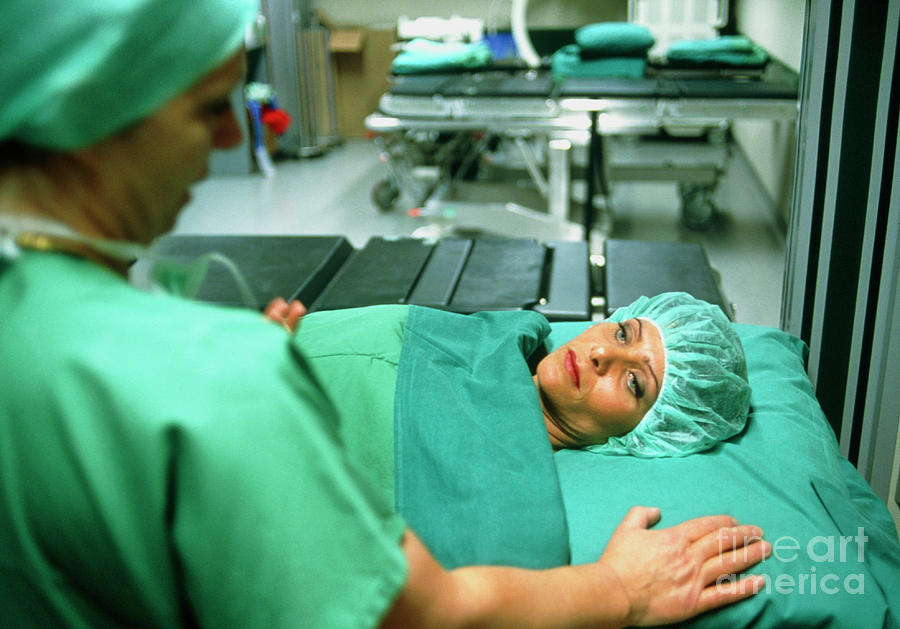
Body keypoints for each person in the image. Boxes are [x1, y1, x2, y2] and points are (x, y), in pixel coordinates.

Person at [0, 2, 770, 628]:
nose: (236, 135)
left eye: (634, 385)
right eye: (209, 108)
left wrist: (225, 378)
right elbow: (422, 612)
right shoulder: (222, 383)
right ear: (97, 107)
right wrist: (621, 591)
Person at [535, 291, 751, 456]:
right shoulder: (514, 338)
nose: (601, 353)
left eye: (633, 382)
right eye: (622, 334)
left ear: (648, 433)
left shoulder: (519, 486)